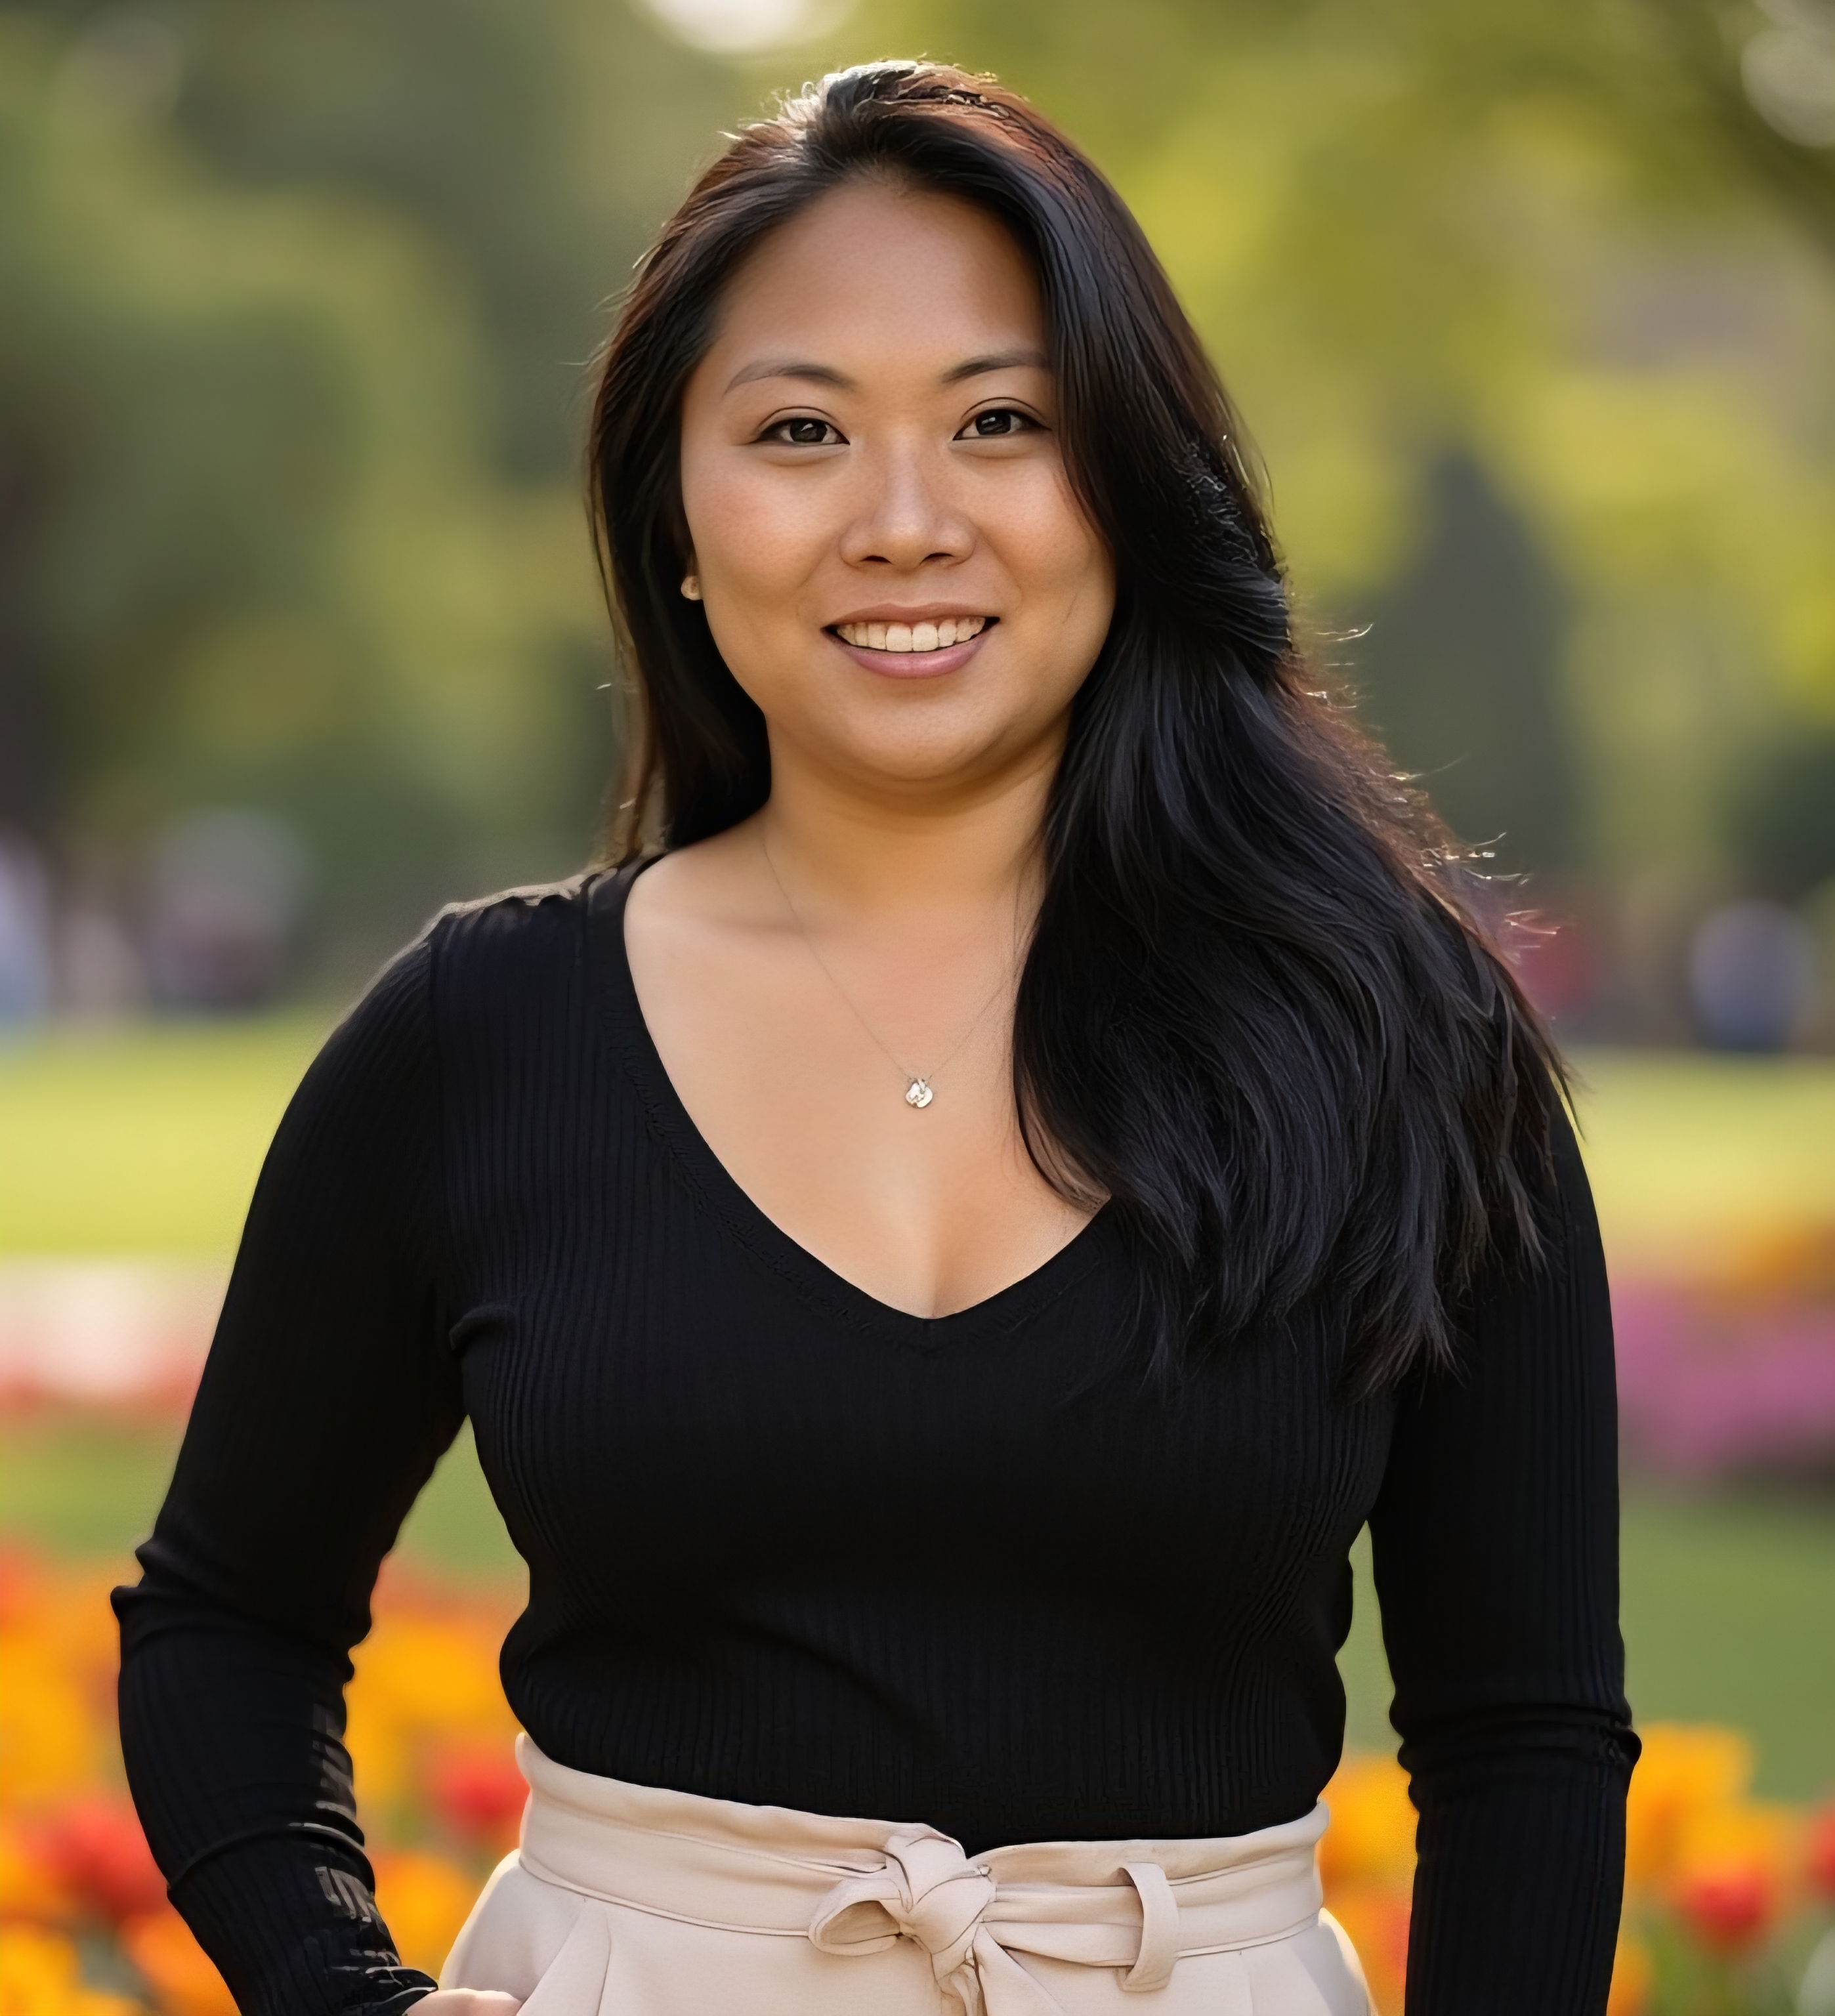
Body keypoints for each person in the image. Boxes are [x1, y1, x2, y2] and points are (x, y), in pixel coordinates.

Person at [116, 62, 1637, 2016]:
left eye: (999, 421)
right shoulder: (475, 1039)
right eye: (800, 430)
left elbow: (1523, 1732)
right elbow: (228, 1616)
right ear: (674, 508)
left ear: (1127, 486)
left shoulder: (1404, 1042)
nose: (903, 522)